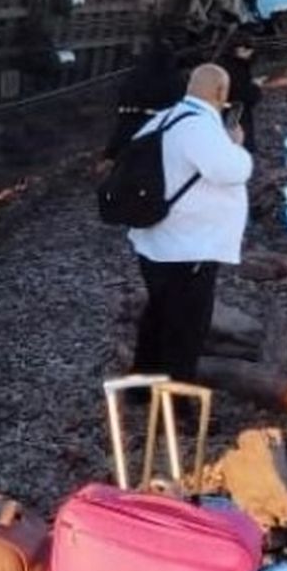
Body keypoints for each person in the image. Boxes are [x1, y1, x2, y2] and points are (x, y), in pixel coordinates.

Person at [128, 64, 253, 385]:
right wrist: (235, 144)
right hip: (187, 247)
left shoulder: (163, 119)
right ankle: (177, 404)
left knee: (157, 316)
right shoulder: (200, 128)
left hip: (154, 239)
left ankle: (141, 387)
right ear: (221, 94)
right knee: (185, 328)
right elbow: (232, 171)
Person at [103, 31, 186, 161]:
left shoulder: (135, 75)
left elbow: (123, 96)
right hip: (156, 130)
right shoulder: (176, 80)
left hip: (128, 124)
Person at [219, 39, 261, 154]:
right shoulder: (237, 68)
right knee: (237, 131)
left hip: (224, 105)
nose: (251, 54)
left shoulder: (223, 63)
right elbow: (243, 93)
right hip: (235, 107)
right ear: (240, 49)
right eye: (249, 51)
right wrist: (255, 88)